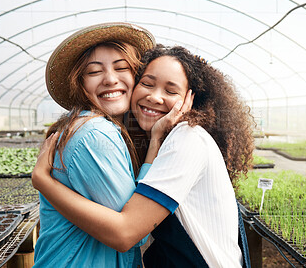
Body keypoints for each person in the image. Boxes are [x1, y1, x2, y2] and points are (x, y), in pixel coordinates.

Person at [33, 45, 254, 267]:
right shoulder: (101, 132)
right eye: (147, 84)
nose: (155, 97)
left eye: (170, 91)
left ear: (191, 99)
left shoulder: (186, 139)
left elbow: (129, 231)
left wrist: (44, 182)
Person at [32, 22, 163, 268]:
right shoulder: (95, 135)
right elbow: (134, 232)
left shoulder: (100, 128)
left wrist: (44, 181)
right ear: (80, 84)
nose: (110, 79)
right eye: (94, 72)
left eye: (122, 68)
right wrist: (155, 146)